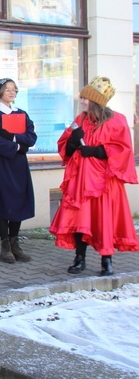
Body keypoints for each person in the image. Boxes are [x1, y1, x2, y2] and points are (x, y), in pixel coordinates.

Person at [49, 76, 139, 276]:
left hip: (105, 182)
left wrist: (97, 151)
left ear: (96, 100)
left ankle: (106, 260)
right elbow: (65, 146)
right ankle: (79, 259)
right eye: (82, 97)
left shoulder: (118, 120)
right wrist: (73, 142)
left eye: (85, 98)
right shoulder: (81, 119)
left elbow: (123, 150)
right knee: (81, 219)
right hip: (81, 180)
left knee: (103, 219)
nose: (82, 101)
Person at [0, 78, 37, 264]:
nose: (12, 93)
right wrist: (17, 146)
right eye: (8, 90)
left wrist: (13, 138)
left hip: (18, 163)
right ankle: (5, 246)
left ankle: (15, 243)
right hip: (0, 163)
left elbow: (31, 136)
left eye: (14, 90)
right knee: (4, 202)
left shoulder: (21, 113)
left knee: (18, 201)